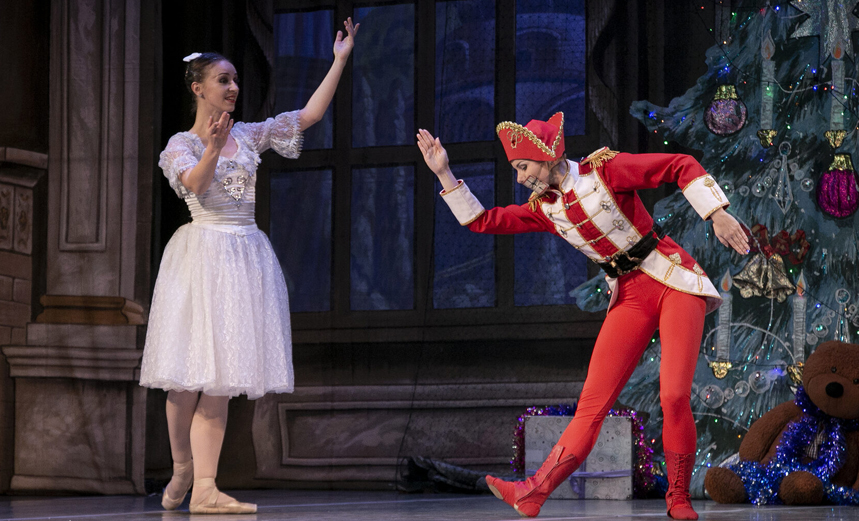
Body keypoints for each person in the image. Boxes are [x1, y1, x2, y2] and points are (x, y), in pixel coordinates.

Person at [416, 113, 749, 520]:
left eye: (523, 167)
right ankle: (532, 492)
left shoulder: (605, 171)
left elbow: (679, 164)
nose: (520, 178)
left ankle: (678, 497)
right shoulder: (546, 209)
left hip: (673, 280)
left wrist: (716, 213)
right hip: (629, 297)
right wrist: (444, 173)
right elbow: (485, 221)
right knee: (591, 406)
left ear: (547, 156)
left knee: (673, 395)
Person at [139, 18, 359, 515]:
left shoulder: (250, 134)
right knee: (184, 378)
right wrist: (213, 148)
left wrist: (339, 60)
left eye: (236, 80)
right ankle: (181, 467)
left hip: (242, 257)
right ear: (198, 88)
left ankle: (205, 488)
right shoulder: (181, 144)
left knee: (221, 379)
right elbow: (195, 185)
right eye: (224, 80)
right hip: (200, 255)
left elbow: (307, 115)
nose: (234, 87)